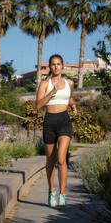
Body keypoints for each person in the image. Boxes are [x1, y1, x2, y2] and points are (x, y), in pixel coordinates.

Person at [36, 54, 77, 207]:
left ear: (62, 66)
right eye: (53, 64)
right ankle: (52, 190)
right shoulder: (44, 84)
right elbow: (38, 105)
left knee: (61, 159)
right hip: (49, 122)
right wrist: (53, 91)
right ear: (50, 67)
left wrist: (73, 106)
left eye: (58, 64)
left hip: (64, 122)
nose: (56, 67)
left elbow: (70, 96)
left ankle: (63, 194)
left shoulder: (70, 83)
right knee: (50, 160)